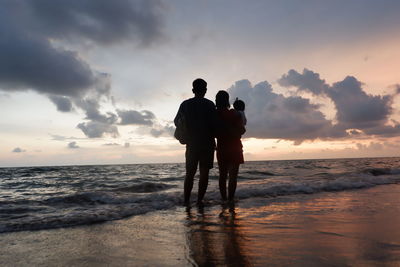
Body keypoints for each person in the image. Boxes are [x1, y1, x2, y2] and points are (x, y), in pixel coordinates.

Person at [174, 78, 216, 205]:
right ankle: (199, 201)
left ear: (193, 90)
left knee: (190, 174)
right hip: (207, 144)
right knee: (204, 173)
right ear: (205, 90)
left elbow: (176, 121)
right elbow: (215, 125)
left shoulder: (185, 104)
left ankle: (186, 201)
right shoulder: (210, 105)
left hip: (191, 144)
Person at [215, 91, 245, 202]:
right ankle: (230, 199)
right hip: (235, 148)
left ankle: (224, 199)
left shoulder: (215, 114)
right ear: (227, 100)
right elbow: (242, 130)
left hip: (222, 148)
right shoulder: (234, 113)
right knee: (233, 176)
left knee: (222, 175)